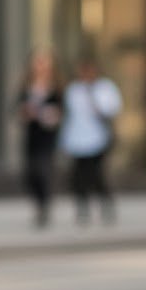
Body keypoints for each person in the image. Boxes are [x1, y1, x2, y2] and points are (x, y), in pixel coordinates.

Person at [58, 57, 123, 224]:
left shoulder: (104, 87)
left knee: (97, 174)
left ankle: (105, 203)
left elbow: (112, 110)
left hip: (98, 139)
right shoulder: (73, 90)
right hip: (76, 140)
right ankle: (82, 206)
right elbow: (69, 116)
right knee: (78, 176)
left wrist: (93, 99)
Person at [14, 49, 64, 227]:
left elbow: (62, 111)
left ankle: (45, 205)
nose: (40, 67)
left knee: (44, 169)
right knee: (31, 172)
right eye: (38, 62)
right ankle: (38, 203)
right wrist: (26, 113)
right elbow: (16, 110)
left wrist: (51, 115)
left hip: (48, 136)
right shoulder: (26, 87)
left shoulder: (56, 87)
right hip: (32, 135)